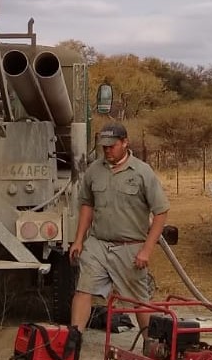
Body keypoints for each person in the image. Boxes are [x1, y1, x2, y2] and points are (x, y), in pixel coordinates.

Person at [69, 122, 170, 337]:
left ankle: (151, 344)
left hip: (130, 247)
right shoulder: (94, 170)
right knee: (83, 289)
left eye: (112, 146)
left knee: (139, 300)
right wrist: (79, 240)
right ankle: (72, 340)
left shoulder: (142, 172)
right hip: (98, 244)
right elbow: (87, 204)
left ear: (125, 143)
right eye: (104, 146)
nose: (107, 150)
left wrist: (146, 251)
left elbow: (161, 212)